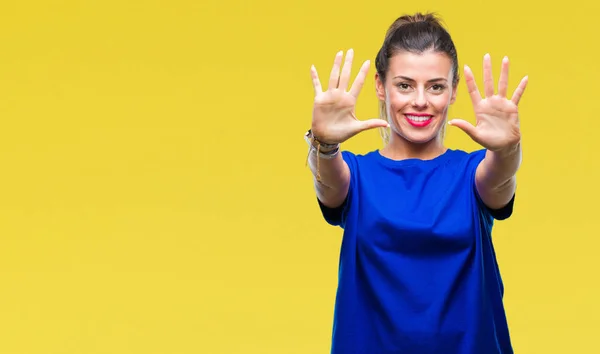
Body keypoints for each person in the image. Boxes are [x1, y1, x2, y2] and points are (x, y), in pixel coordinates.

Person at [304, 12, 528, 354]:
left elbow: (500, 179)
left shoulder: (472, 174)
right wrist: (324, 143)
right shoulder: (355, 175)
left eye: (435, 86)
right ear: (381, 86)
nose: (420, 101)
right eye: (404, 85)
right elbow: (328, 184)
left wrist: (508, 148)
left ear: (453, 92)